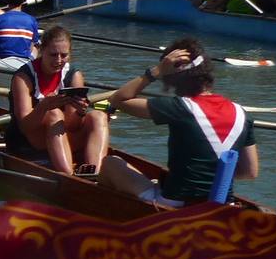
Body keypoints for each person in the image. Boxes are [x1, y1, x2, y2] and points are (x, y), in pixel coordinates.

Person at [99, 38, 258, 206]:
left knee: (111, 163)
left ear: (172, 78)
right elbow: (250, 172)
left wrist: (155, 72)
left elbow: (118, 99)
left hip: (175, 204)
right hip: (223, 206)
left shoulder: (179, 107)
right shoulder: (242, 114)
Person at [6, 26, 108, 176]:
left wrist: (80, 113)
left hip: (60, 136)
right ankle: (68, 177)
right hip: (29, 142)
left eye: (64, 55)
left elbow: (73, 125)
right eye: (53, 55)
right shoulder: (23, 77)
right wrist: (44, 106)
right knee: (54, 114)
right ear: (41, 51)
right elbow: (25, 127)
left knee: (98, 116)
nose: (58, 60)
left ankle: (95, 174)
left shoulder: (74, 76)